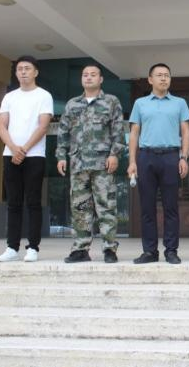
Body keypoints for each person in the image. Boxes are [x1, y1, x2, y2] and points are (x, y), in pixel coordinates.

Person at [56, 64, 125, 264]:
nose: (88, 77)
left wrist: (114, 154)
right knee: (79, 208)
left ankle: (110, 249)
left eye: (93, 75)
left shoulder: (111, 102)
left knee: (106, 207)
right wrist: (61, 156)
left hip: (103, 164)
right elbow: (63, 132)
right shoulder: (72, 104)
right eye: (85, 75)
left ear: (100, 79)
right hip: (78, 163)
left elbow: (118, 131)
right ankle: (80, 249)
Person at [128, 63, 189, 265]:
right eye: (159, 75)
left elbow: (186, 132)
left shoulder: (179, 103)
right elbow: (134, 133)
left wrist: (184, 157)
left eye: (167, 75)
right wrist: (132, 161)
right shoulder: (140, 103)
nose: (164, 78)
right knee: (147, 208)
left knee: (171, 207)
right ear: (150, 79)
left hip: (171, 157)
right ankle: (149, 251)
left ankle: (171, 251)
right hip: (146, 157)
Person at [0, 56, 54, 262]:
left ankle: (33, 248)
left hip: (34, 155)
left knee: (33, 202)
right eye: (19, 69)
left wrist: (24, 149)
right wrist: (13, 148)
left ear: (35, 72)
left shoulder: (44, 96)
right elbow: (1, 125)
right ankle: (11, 247)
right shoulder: (9, 97)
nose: (23, 72)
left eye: (27, 68)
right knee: (13, 202)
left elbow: (43, 126)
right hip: (10, 155)